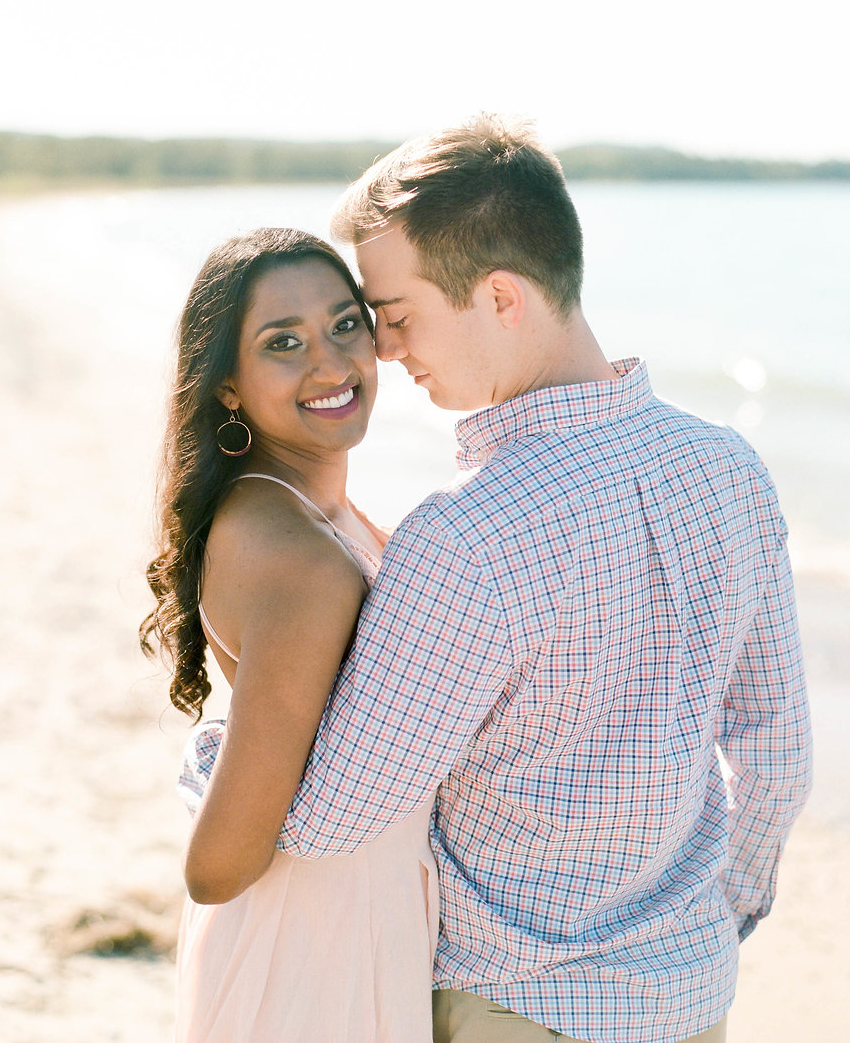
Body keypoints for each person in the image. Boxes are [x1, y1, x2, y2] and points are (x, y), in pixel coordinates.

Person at [189, 115, 812, 1043]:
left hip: (518, 1007)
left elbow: (326, 820)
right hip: (693, 1000)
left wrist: (212, 748)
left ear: (502, 298)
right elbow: (778, 754)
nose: (387, 352)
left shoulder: (467, 540)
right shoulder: (729, 469)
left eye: (393, 317)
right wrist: (718, 920)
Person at [140, 226, 438, 1043]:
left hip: (342, 926)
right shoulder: (297, 555)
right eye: (284, 343)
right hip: (316, 954)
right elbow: (217, 865)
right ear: (227, 385)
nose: (331, 364)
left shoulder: (304, 507)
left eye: (347, 324)